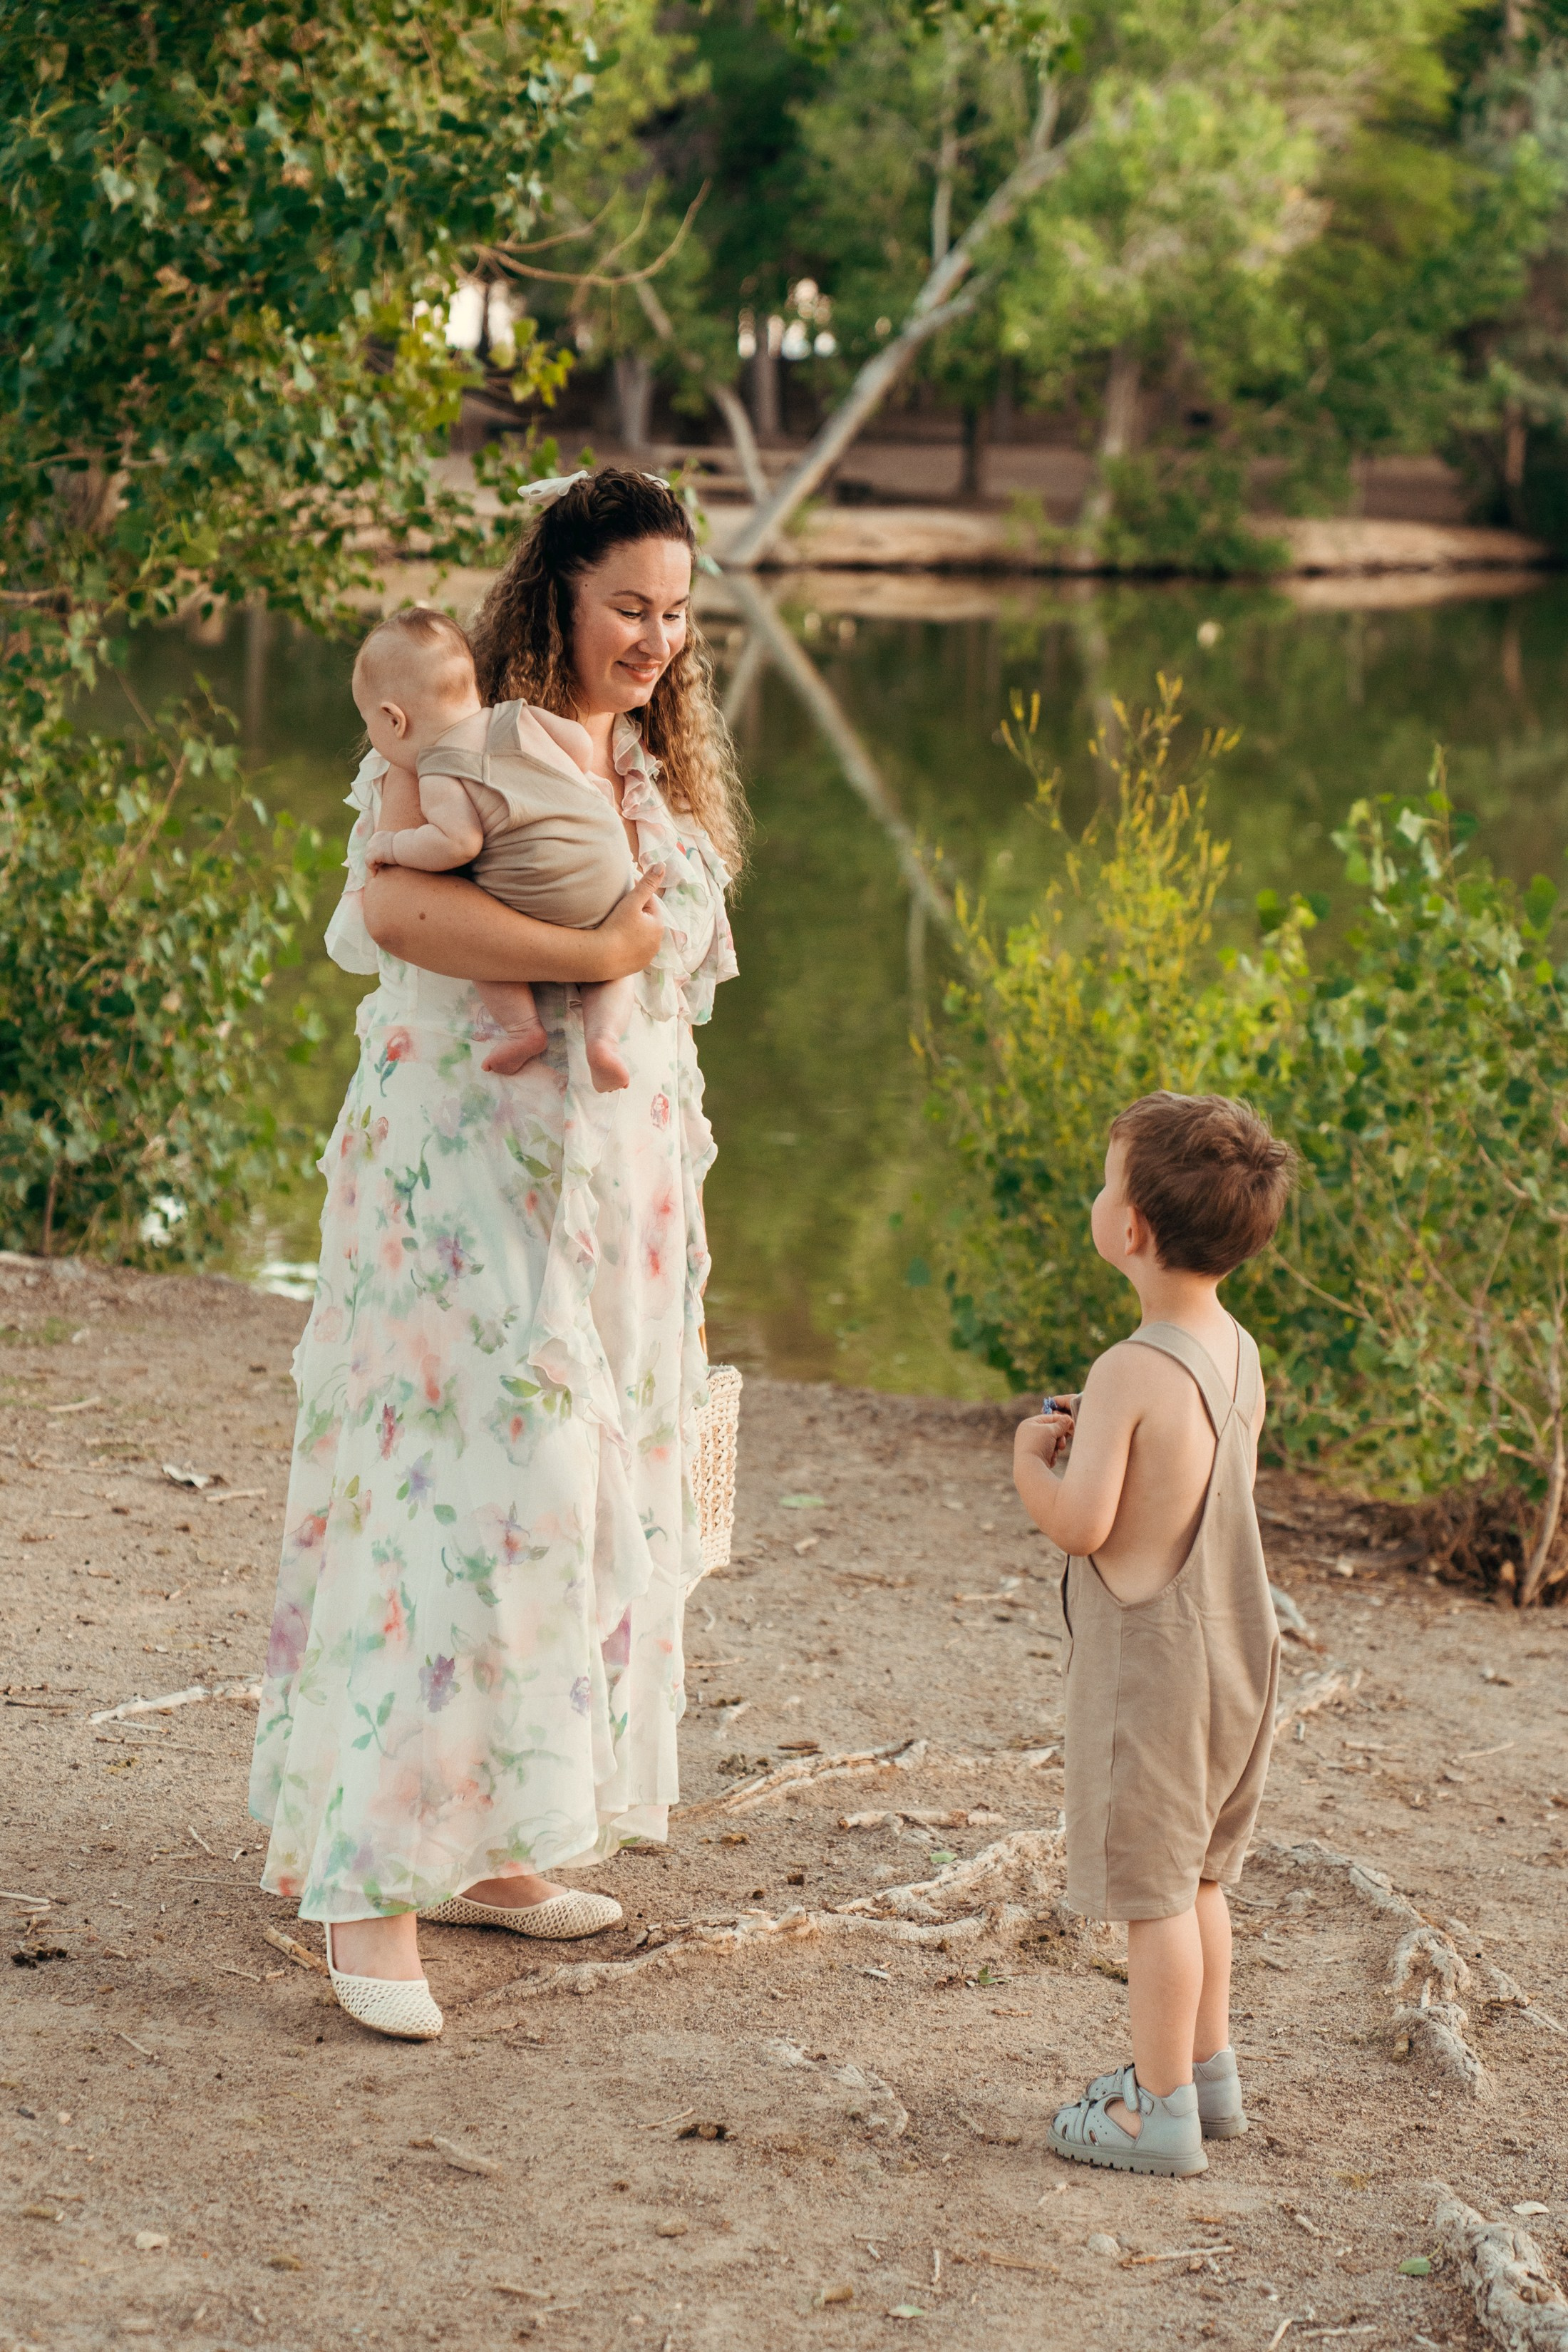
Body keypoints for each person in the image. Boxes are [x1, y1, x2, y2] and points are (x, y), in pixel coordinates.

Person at [248, 468, 743, 2041]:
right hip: (463, 1178)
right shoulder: (463, 734)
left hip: (613, 1195)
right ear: (559, 595)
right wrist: (591, 951)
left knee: (569, 1504)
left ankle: (496, 1840)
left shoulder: (657, 762)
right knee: (458, 1490)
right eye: (628, 608)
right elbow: (396, 911)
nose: (655, 638)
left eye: (675, 612)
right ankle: (365, 1878)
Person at [1011, 1092, 1296, 2175]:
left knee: (1154, 1898)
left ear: (1130, 1228)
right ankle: (1209, 2072)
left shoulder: (1127, 1368)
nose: (1099, 1196)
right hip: (1239, 1652)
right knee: (1202, 1878)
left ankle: (1158, 2109)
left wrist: (1033, 1462)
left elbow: (1086, 1524)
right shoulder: (1236, 1349)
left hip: (1156, 1670)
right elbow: (1201, 1488)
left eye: (1104, 1179)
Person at [354, 607, 642, 1090]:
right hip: (609, 869)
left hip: (542, 889)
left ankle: (523, 1030)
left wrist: (395, 845)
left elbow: (457, 843)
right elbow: (577, 745)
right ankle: (605, 1041)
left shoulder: (440, 768)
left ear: (393, 720)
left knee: (479, 937)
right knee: (614, 961)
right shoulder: (517, 715)